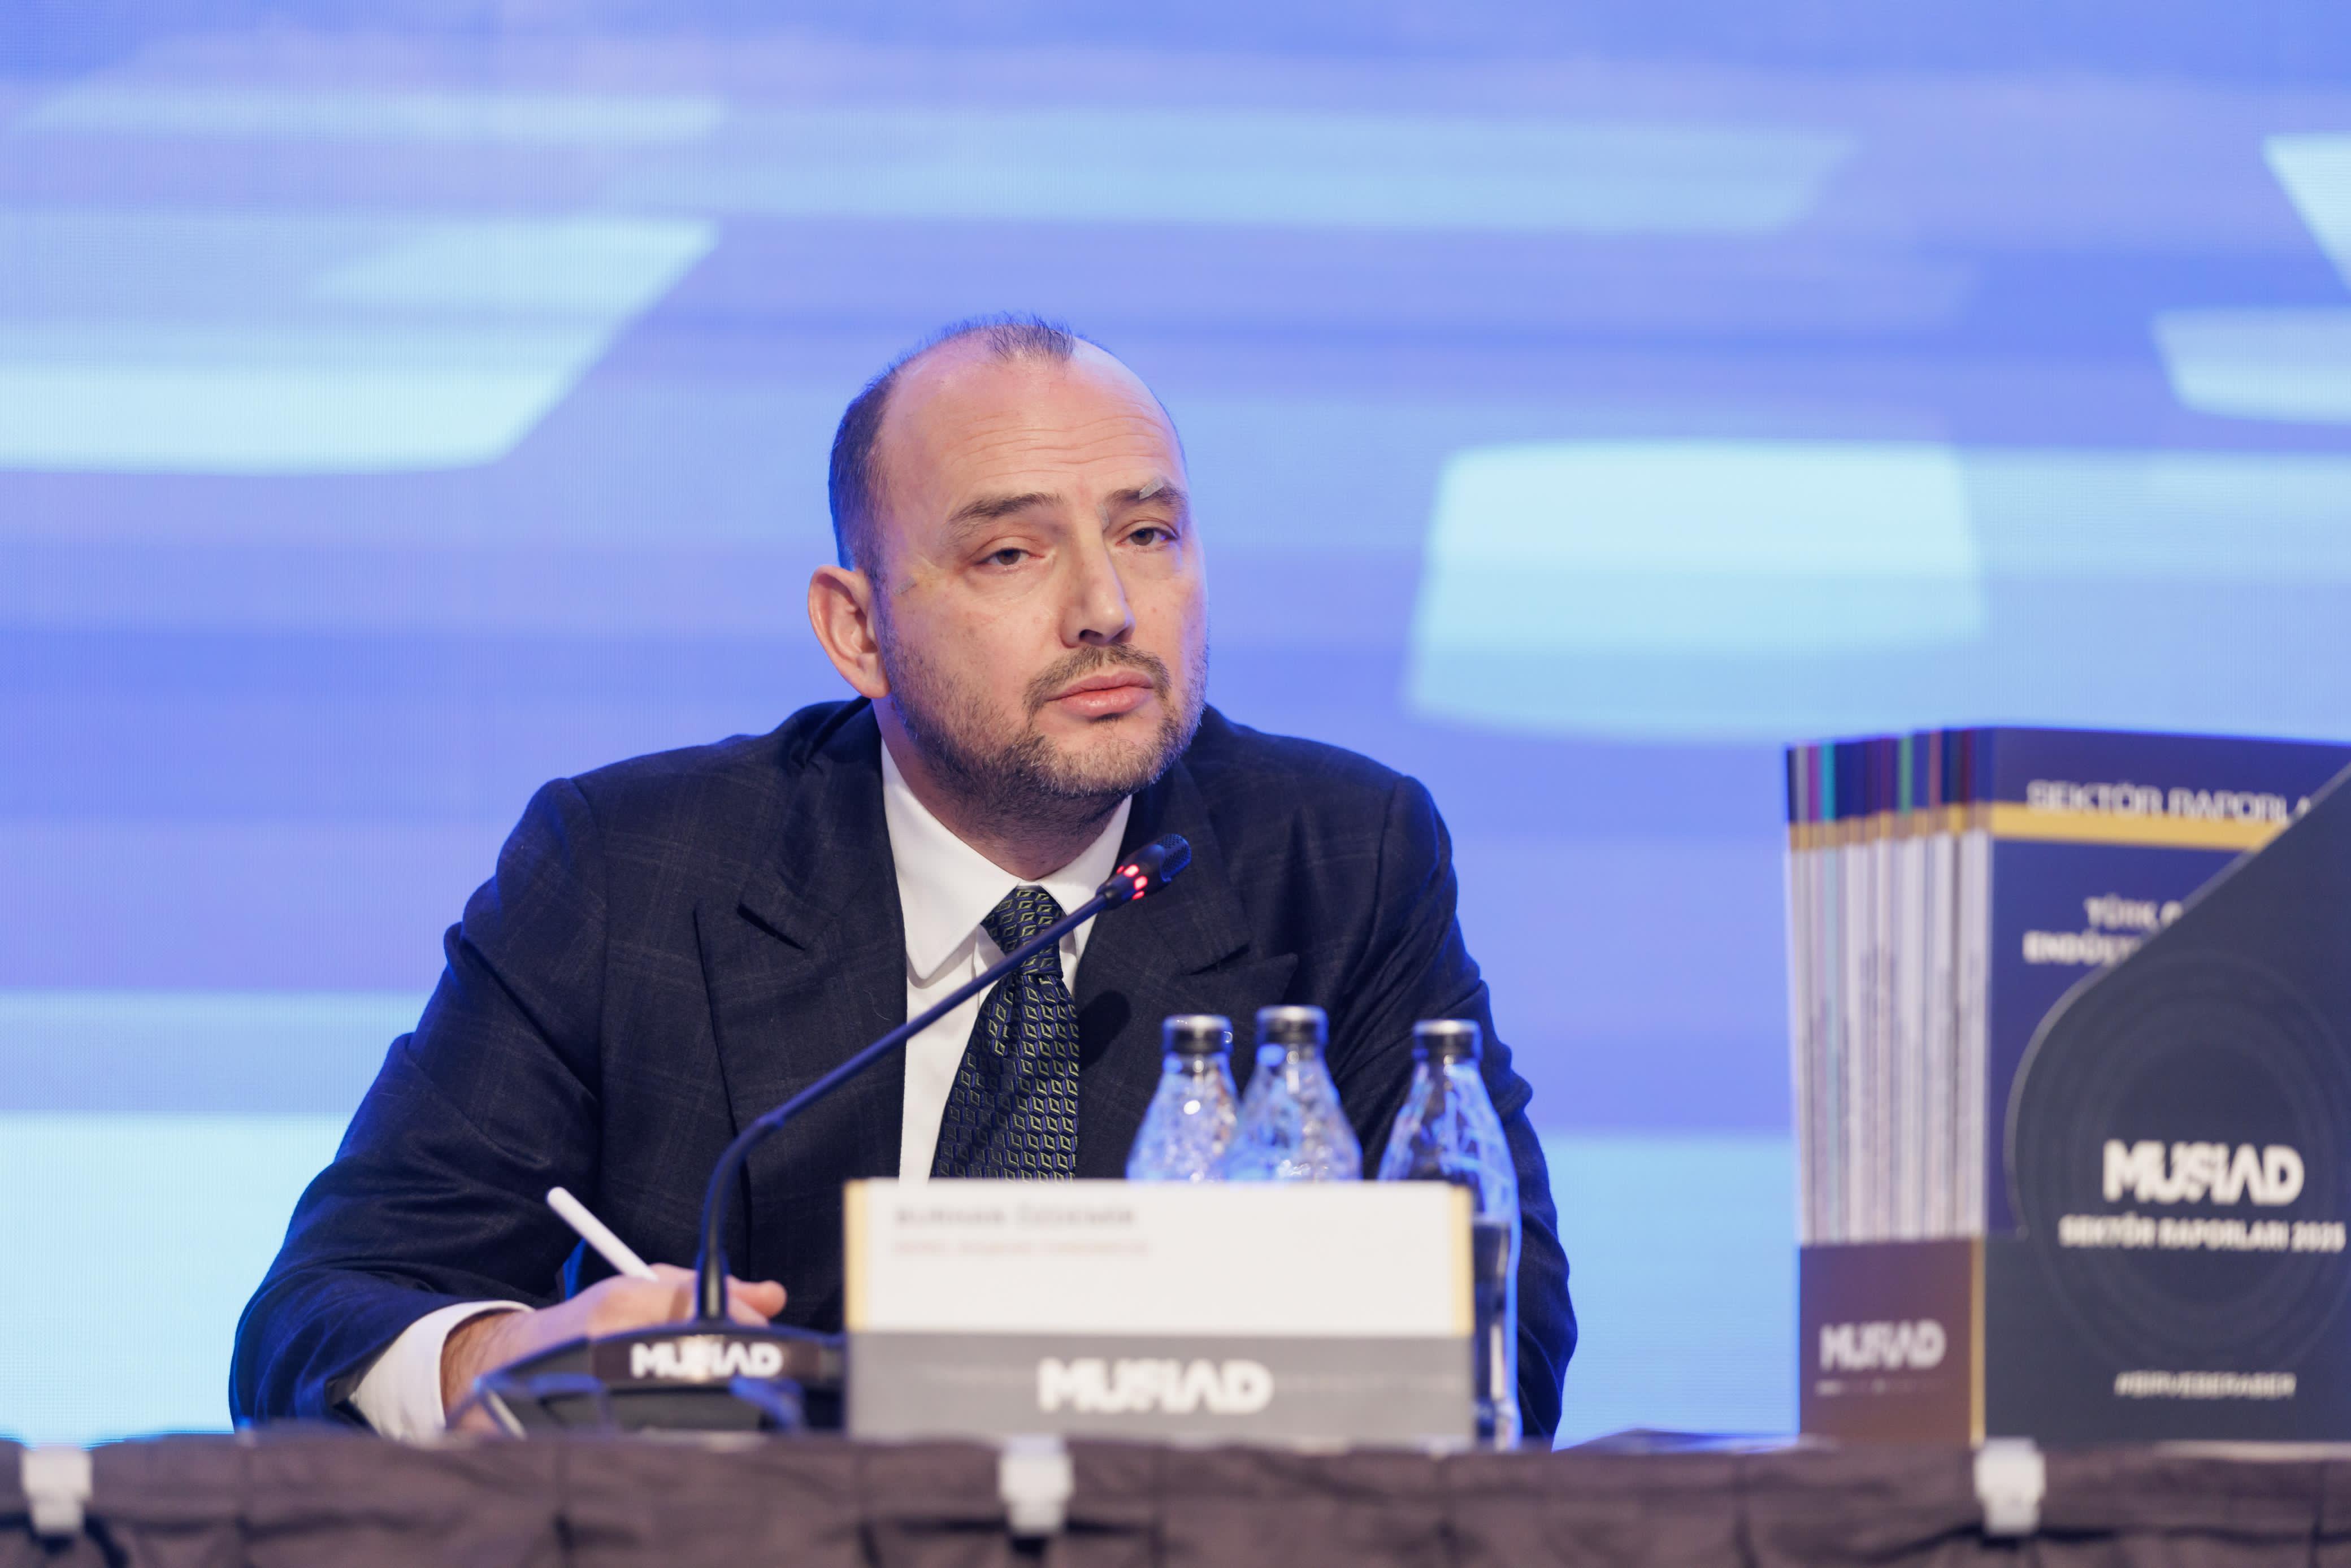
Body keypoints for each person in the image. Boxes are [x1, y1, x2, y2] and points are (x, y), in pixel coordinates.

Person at [231, 315, 1577, 1437]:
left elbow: (1502, 1337)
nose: (1107, 606)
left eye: (1148, 533)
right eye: (1012, 552)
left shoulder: (1339, 857)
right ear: (857, 629)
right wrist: (506, 1359)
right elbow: (323, 1311)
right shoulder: (632, 869)